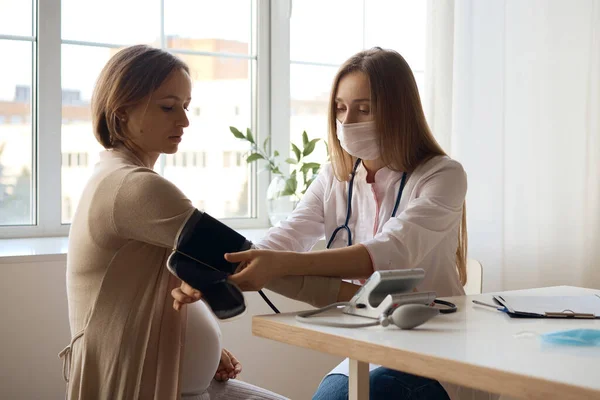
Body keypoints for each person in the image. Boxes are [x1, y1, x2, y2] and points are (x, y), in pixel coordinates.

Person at [173, 47, 495, 400]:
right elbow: (289, 233)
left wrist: (279, 265)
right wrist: (213, 272)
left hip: (437, 349)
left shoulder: (441, 175)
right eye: (340, 108)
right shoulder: (335, 177)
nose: (348, 120)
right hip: (369, 344)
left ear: (399, 110)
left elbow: (391, 252)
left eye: (364, 108)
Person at [61, 44, 286, 400]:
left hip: (187, 382)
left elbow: (158, 289)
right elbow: (244, 258)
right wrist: (357, 296)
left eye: (185, 106)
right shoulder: (133, 187)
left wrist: (201, 352)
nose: (183, 121)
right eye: (168, 107)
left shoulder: (116, 174)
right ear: (121, 113)